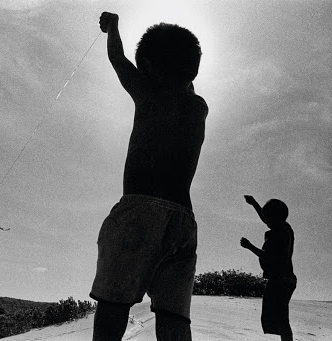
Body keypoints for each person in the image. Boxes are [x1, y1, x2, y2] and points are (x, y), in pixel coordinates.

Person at [90, 12, 208, 341]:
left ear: (149, 68)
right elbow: (184, 79)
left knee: (114, 304)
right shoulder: (199, 107)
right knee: (174, 316)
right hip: (183, 222)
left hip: (140, 212)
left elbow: (117, 57)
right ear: (193, 72)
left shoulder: (149, 92)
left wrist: (113, 27)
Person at [241, 195, 297, 341]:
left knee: (281, 319)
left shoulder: (278, 234)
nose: (265, 220)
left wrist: (249, 246)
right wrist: (254, 204)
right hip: (286, 279)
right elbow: (265, 218)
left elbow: (269, 256)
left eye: (268, 217)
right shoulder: (285, 228)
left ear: (275, 217)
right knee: (280, 318)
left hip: (280, 280)